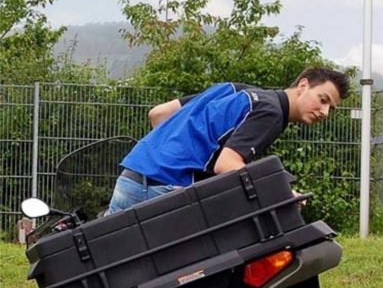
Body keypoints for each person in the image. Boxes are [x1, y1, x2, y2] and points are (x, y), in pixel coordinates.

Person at [106, 67, 350, 214]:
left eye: (331, 108)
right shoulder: (272, 112)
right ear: (303, 85)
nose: (325, 112)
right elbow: (226, 164)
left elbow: (158, 113)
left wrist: (167, 156)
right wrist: (282, 192)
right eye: (323, 99)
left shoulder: (235, 89)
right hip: (161, 189)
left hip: (131, 179)